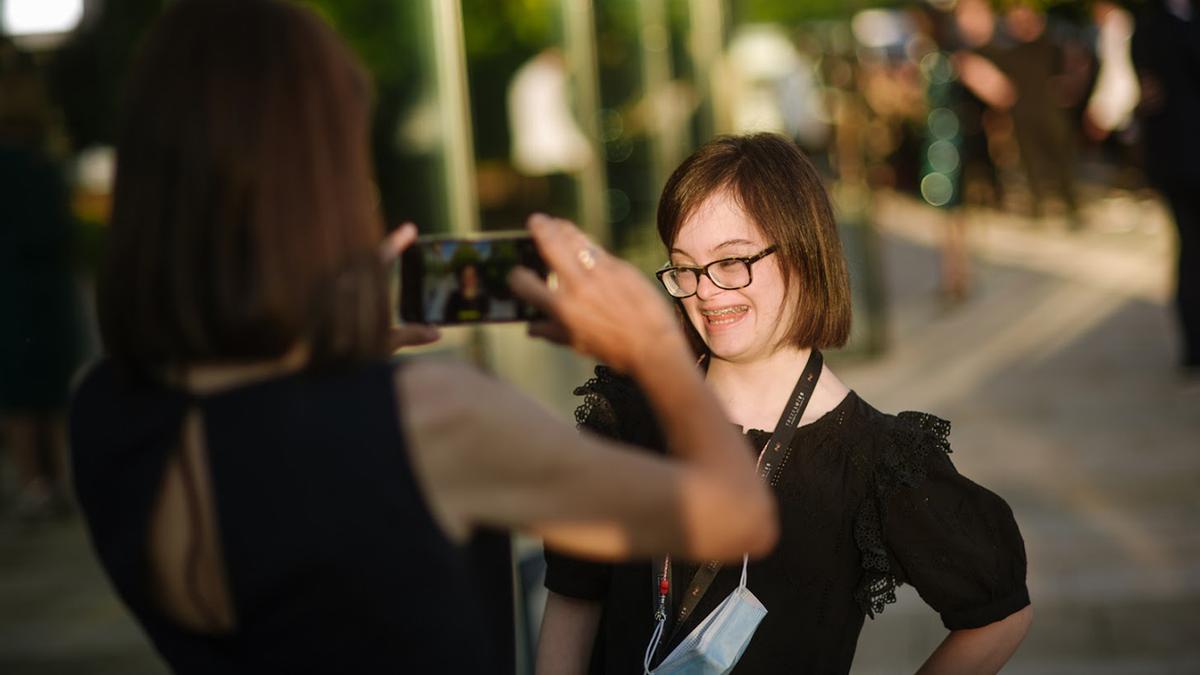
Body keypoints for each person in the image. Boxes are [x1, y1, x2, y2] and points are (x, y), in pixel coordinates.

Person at [67, 2, 778, 673]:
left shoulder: (103, 413)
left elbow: (263, 464)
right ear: (320, 183)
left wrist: (325, 356)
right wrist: (654, 346)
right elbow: (735, 516)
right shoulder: (430, 420)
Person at [537, 134, 1032, 675]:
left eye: (731, 262)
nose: (706, 290)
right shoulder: (629, 414)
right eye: (685, 267)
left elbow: (999, 613)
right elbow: (573, 596)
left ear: (802, 252)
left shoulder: (873, 459)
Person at [1131, 0, 1200, 375]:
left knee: (1188, 250)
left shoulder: (1147, 28)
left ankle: (1192, 346)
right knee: (1190, 250)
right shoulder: (1165, 27)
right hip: (1182, 161)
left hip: (1171, 159)